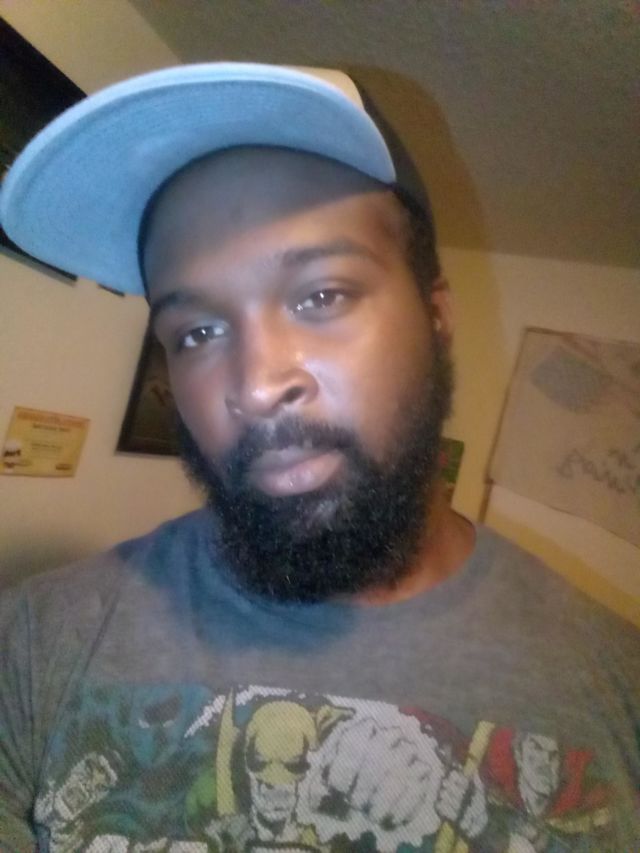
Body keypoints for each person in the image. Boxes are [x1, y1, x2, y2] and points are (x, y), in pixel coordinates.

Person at [0, 63, 638, 853]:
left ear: (436, 315)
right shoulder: (34, 645)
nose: (256, 385)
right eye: (197, 331)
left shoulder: (617, 690)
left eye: (321, 295)